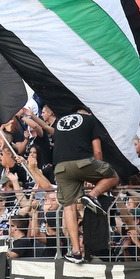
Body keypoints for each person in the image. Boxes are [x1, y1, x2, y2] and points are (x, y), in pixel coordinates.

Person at [52, 110, 120, 263]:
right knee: (114, 176)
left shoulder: (61, 121)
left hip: (60, 167)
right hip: (83, 161)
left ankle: (76, 251)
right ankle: (92, 195)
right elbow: (97, 150)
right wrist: (99, 171)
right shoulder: (89, 120)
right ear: (87, 112)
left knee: (69, 208)